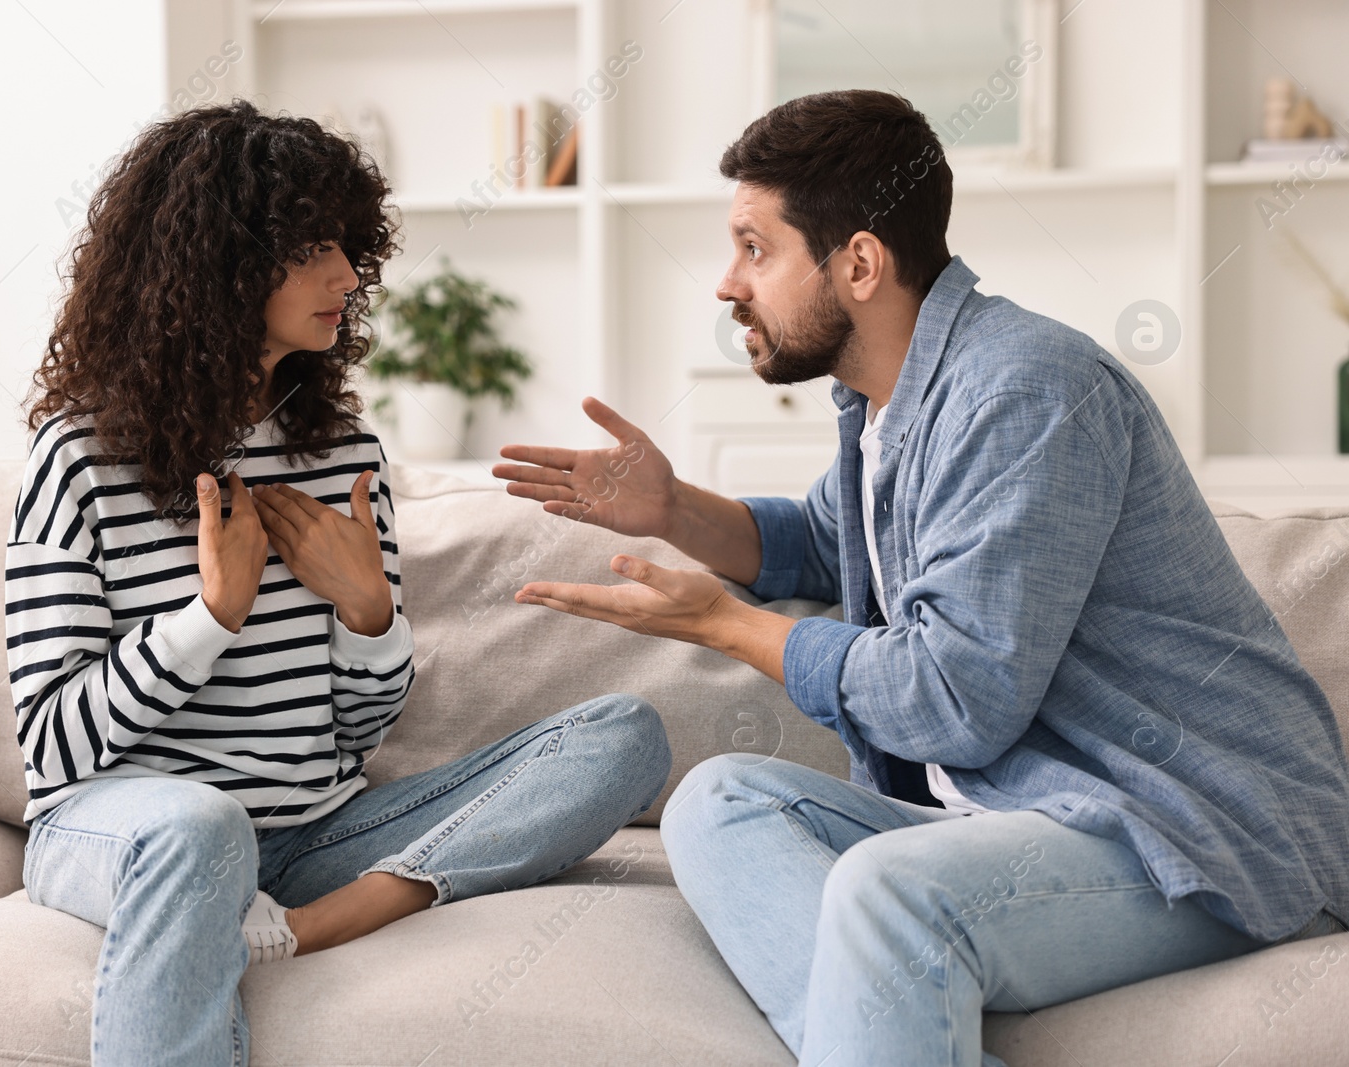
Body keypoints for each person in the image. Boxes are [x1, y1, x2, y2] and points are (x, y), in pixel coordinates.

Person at [493, 89, 1349, 1066]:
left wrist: (728, 625)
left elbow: (955, 700)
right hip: (1032, 813)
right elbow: (826, 542)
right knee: (718, 801)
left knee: (889, 891)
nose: (726, 283)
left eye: (753, 247)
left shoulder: (1027, 391)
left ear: (857, 262)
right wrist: (673, 509)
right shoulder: (890, 404)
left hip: (1196, 825)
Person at [6, 99, 670, 1067]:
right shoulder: (75, 455)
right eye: (314, 246)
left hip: (316, 835)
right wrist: (209, 617)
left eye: (350, 246)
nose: (348, 276)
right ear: (222, 261)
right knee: (202, 824)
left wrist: (368, 614)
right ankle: (259, 908)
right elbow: (54, 742)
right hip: (131, 827)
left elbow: (356, 735)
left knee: (624, 735)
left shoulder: (343, 451)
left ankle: (314, 922)